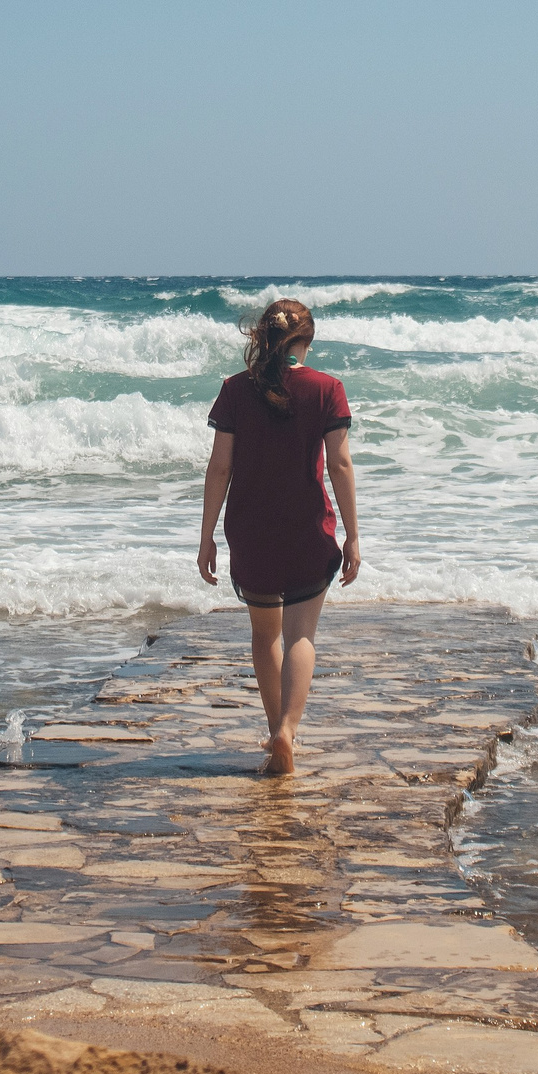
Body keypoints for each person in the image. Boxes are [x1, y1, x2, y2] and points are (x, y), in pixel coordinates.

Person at [197, 296, 361, 775]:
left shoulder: (235, 389)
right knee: (300, 636)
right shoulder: (328, 388)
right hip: (307, 528)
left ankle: (275, 732)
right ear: (306, 341)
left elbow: (219, 467)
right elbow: (340, 464)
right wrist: (353, 535)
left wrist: (206, 536)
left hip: (251, 530)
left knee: (264, 634)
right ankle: (288, 730)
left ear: (263, 338)